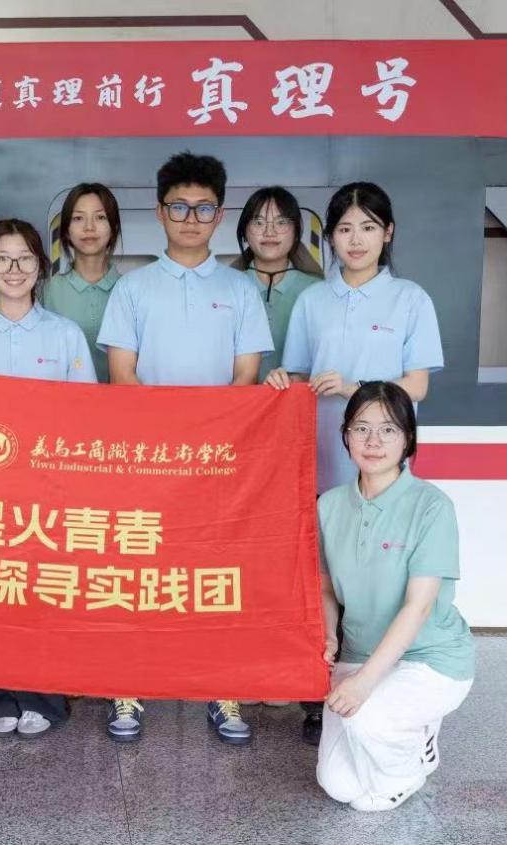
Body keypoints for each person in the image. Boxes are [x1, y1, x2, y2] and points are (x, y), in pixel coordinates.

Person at [96, 151, 273, 745]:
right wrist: (169, 442)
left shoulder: (240, 289)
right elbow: (122, 376)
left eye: (202, 208)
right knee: (139, 573)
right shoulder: (133, 288)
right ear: (160, 212)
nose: (190, 219)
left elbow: (246, 378)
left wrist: (206, 442)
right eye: (179, 207)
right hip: (146, 461)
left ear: (219, 216)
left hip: (219, 461)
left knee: (216, 576)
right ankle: (127, 686)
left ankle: (222, 690)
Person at [265, 182, 444, 745]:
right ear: (330, 238)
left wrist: (355, 388)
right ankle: (316, 693)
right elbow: (297, 376)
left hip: (380, 468)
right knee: (320, 578)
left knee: (374, 583)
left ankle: (376, 682)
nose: (356, 239)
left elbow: (418, 385)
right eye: (344, 228)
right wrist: (281, 380)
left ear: (388, 233)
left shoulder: (410, 299)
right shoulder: (313, 301)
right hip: (318, 460)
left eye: (368, 227)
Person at [0, 218, 94, 737]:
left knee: (42, 594)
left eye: (25, 258)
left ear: (40, 267)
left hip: (48, 489)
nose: (14, 269)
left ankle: (42, 698)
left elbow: (85, 415)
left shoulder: (65, 335)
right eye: (3, 259)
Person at [313, 381, 474, 812]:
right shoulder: (329, 506)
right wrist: (328, 634)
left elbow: (418, 607)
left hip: (429, 658)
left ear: (408, 439)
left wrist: (364, 685)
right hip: (359, 652)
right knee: (337, 784)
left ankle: (412, 759)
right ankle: (400, 729)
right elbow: (326, 586)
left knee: (368, 729)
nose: (373, 441)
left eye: (388, 430)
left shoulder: (432, 506)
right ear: (345, 435)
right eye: (361, 428)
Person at [231, 186, 322, 382]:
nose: (269, 232)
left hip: (298, 398)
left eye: (281, 222)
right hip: (236, 399)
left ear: (296, 232)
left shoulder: (318, 291)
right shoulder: (228, 288)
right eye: (258, 222)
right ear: (244, 232)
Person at [41, 183, 122, 382]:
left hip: (121, 399)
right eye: (78, 218)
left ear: (114, 228)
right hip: (62, 399)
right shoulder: (45, 291)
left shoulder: (131, 290)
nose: (89, 227)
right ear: (66, 230)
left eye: (100, 217)